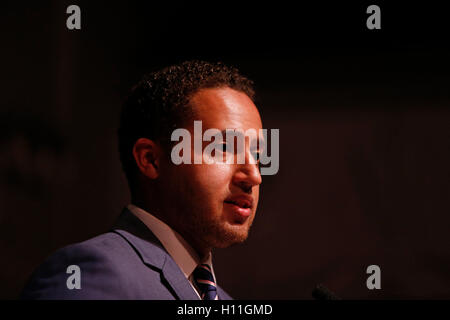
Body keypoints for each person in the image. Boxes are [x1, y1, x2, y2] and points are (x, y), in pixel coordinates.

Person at [20, 60, 263, 300]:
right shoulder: (92, 273)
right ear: (151, 160)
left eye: (257, 155)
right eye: (223, 147)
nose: (254, 175)